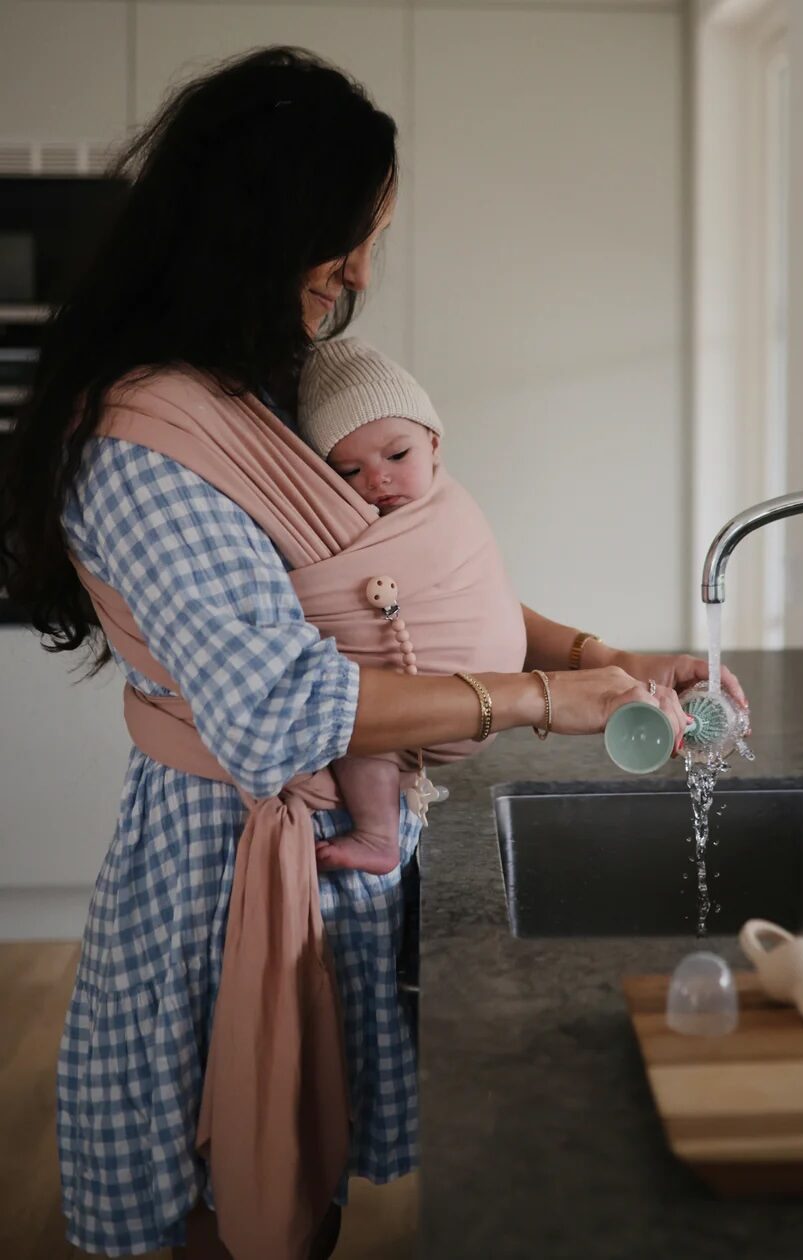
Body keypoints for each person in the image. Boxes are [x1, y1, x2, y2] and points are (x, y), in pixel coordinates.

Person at [0, 46, 745, 1260]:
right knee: (225, 1188)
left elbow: (424, 590)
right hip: (225, 870)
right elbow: (279, 708)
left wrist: (619, 658)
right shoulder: (143, 440)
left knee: (305, 1188)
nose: (354, 273)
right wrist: (544, 698)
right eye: (341, 240)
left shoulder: (264, 389)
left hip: (332, 855)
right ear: (251, 229)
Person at [296, 334, 523, 877]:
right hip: (399, 703)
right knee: (358, 728)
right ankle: (378, 834)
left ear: (435, 445)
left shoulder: (453, 511)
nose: (376, 478)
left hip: (486, 696)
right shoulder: (341, 526)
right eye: (348, 472)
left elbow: (479, 587)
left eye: (397, 455)